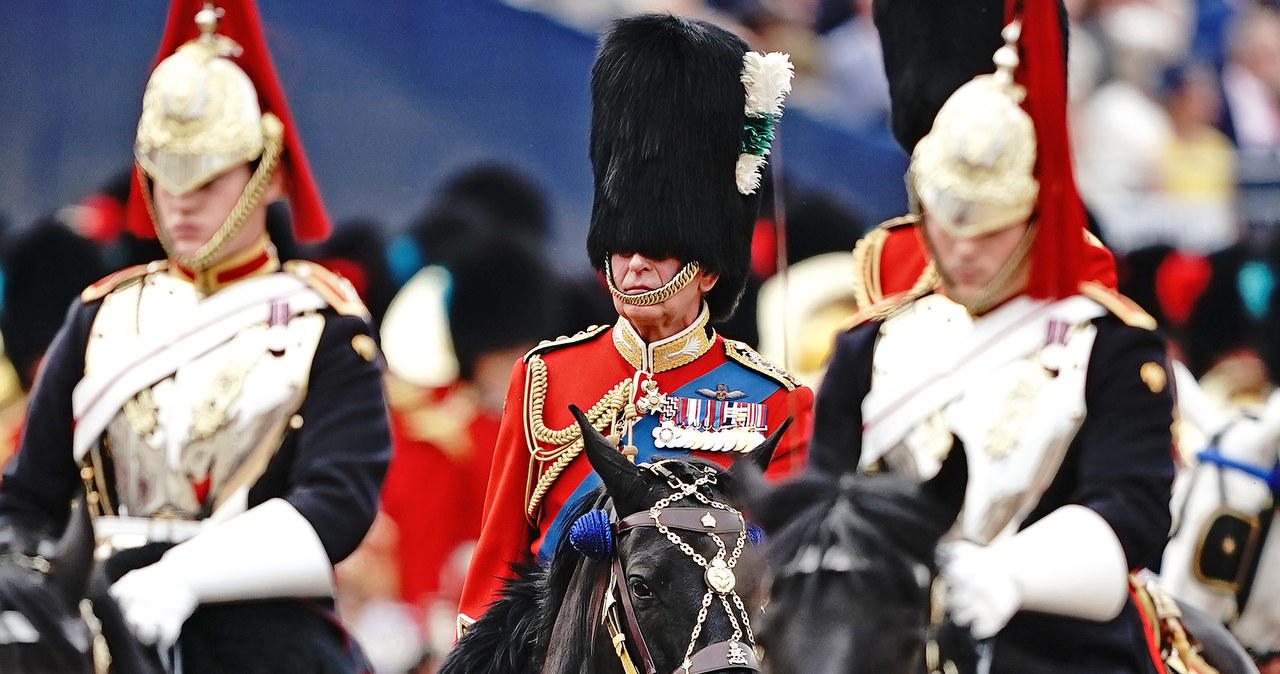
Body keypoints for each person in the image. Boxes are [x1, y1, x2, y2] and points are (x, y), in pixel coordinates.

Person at [0, 1, 390, 671]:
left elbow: (336, 505)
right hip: (100, 609)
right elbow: (26, 502)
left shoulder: (325, 325)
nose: (179, 200)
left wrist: (187, 575)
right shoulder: (99, 315)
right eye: (164, 172)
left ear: (262, 170)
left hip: (262, 628)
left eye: (206, 177)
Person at [811, 5, 1176, 673]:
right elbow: (823, 493)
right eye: (948, 225)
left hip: (1050, 640)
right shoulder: (867, 346)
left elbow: (1130, 511)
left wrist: (1014, 576)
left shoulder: (1115, 347)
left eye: (991, 229)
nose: (965, 250)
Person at [456, 13, 814, 631]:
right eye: (624, 243)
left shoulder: (776, 404)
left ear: (707, 268)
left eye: (660, 247)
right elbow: (490, 589)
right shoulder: (544, 378)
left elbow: (773, 589)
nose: (637, 263)